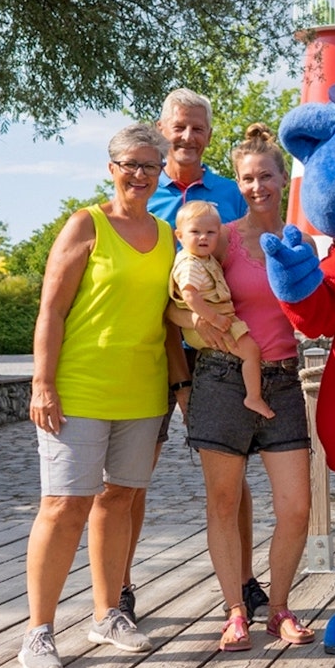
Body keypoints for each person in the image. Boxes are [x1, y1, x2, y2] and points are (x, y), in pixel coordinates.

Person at [20, 122, 184, 668]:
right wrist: (43, 383)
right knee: (64, 506)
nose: (140, 174)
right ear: (110, 169)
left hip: (143, 394)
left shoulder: (167, 236)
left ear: (162, 171)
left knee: (119, 501)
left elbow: (170, 322)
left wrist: (181, 386)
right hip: (79, 390)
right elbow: (52, 311)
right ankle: (38, 632)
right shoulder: (85, 224)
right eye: (130, 164)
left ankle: (108, 614)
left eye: (150, 166)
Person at [115, 88, 268, 627]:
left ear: (208, 133)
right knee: (133, 476)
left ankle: (245, 582)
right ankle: (121, 587)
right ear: (161, 128)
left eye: (198, 128)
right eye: (178, 127)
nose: (187, 137)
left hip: (220, 357)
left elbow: (248, 264)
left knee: (232, 476)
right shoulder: (140, 196)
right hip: (153, 357)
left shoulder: (229, 195)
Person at [177, 123, 316, 651]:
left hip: (282, 380)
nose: (256, 186)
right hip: (221, 377)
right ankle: (236, 608)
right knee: (223, 502)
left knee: (296, 507)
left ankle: (278, 606)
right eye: (246, 178)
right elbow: (179, 292)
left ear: (283, 179)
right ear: (238, 184)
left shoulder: (299, 240)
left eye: (265, 176)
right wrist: (190, 313)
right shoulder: (220, 237)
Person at [171, 200, 274, 419]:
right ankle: (253, 397)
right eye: (195, 232)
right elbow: (189, 294)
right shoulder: (190, 263)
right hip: (209, 324)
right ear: (179, 236)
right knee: (251, 352)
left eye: (210, 232)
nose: (203, 237)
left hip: (212, 319)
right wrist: (213, 319)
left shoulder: (203, 259)